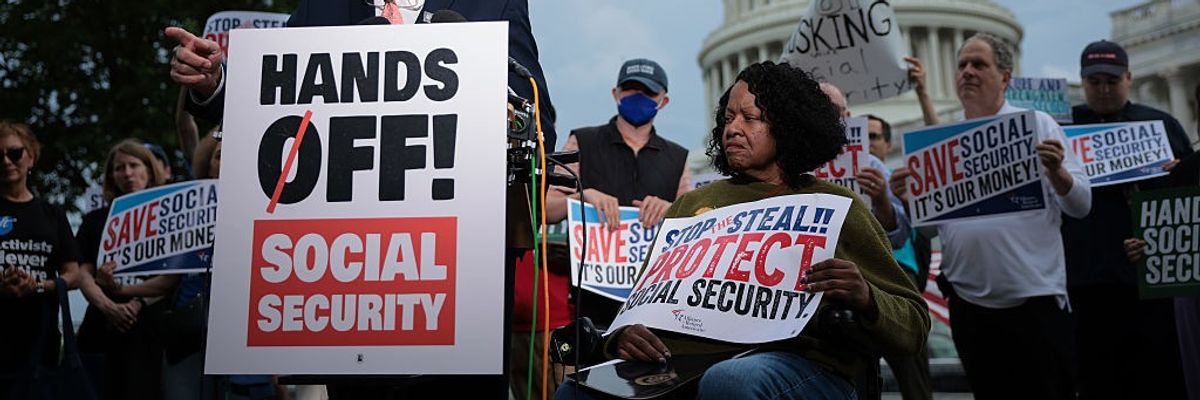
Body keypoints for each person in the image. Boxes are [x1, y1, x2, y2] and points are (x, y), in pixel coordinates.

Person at [557, 61, 929, 400]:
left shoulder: (836, 206)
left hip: (794, 365)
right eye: (729, 117)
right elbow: (639, 304)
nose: (732, 128)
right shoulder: (691, 207)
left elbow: (913, 322)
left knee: (731, 380)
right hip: (676, 367)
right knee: (575, 393)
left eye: (750, 118)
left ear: (788, 125)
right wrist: (624, 335)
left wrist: (865, 296)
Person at [890, 33, 1091, 399]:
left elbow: (1080, 205)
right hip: (971, 309)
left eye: (978, 64)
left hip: (1036, 303)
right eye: (962, 65)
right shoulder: (939, 144)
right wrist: (910, 200)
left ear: (1005, 77)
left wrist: (1059, 173)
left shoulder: (1038, 125)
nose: (967, 71)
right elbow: (930, 230)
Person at [165, 0, 558, 151]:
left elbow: (536, 120)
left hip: (462, 247)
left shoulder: (491, 3)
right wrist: (213, 82)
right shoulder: (320, 9)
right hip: (339, 252)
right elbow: (270, 102)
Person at [1063, 39, 1191, 400]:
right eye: (1094, 82)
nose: (1103, 89)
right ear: (1082, 81)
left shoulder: (1162, 125)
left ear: (1129, 79)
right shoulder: (1063, 127)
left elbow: (1188, 201)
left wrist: (1179, 173)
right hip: (1086, 285)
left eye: (1112, 81)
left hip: (1151, 287)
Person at [547, 58, 691, 327]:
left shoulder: (678, 157)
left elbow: (694, 225)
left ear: (664, 100)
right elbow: (546, 208)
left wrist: (670, 210)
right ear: (616, 93)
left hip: (654, 301)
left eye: (648, 92)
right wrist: (583, 196)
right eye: (631, 89)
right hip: (589, 303)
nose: (639, 97)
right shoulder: (582, 141)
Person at [75, 138, 170, 400]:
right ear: (110, 176)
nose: (127, 173)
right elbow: (83, 273)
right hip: (99, 332)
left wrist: (137, 302)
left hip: (147, 335)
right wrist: (108, 306)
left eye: (133, 165)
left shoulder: (168, 218)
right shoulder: (95, 221)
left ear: (149, 171)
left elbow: (173, 277)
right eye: (119, 168)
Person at [0, 121, 83, 391]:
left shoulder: (53, 215)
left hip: (40, 343)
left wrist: (36, 286)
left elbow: (74, 274)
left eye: (14, 153)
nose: (6, 161)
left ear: (31, 156)